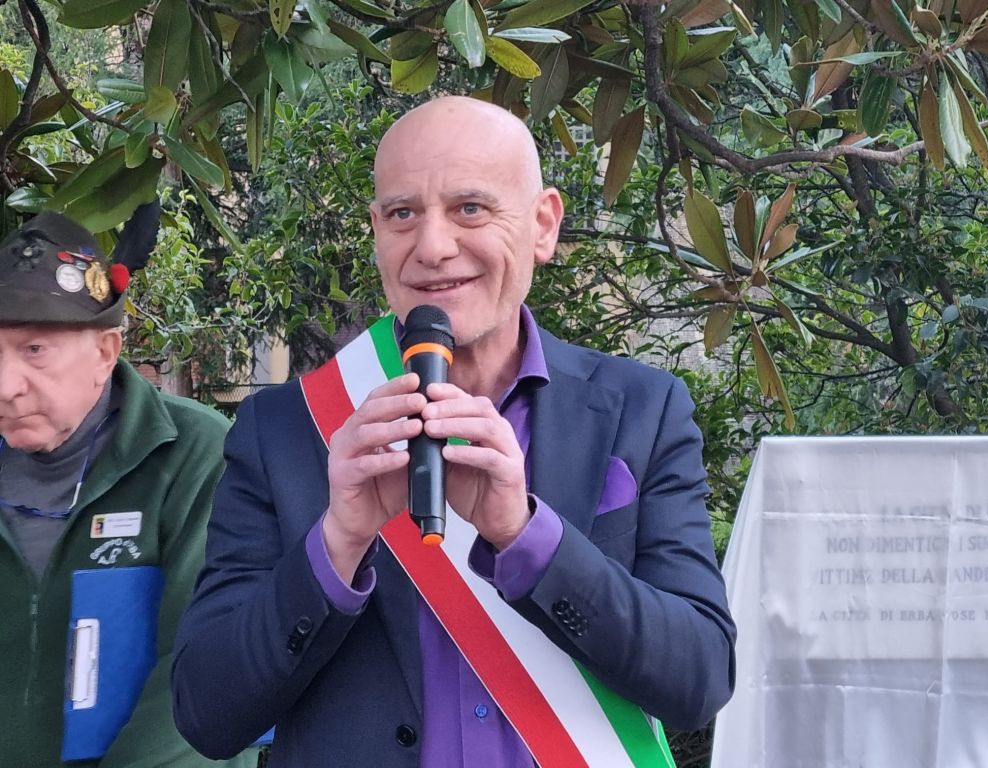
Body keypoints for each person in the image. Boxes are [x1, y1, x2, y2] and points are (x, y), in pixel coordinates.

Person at [171, 96, 736, 767]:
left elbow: (700, 679)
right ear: (376, 231)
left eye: (470, 208)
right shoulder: (286, 429)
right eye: (402, 214)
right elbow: (207, 715)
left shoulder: (640, 409)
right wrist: (338, 542)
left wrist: (526, 537)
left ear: (543, 225)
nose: (433, 247)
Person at [0, 210, 255, 768]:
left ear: (105, 352)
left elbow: (206, 672)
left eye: (34, 350)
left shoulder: (196, 455)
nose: (6, 385)